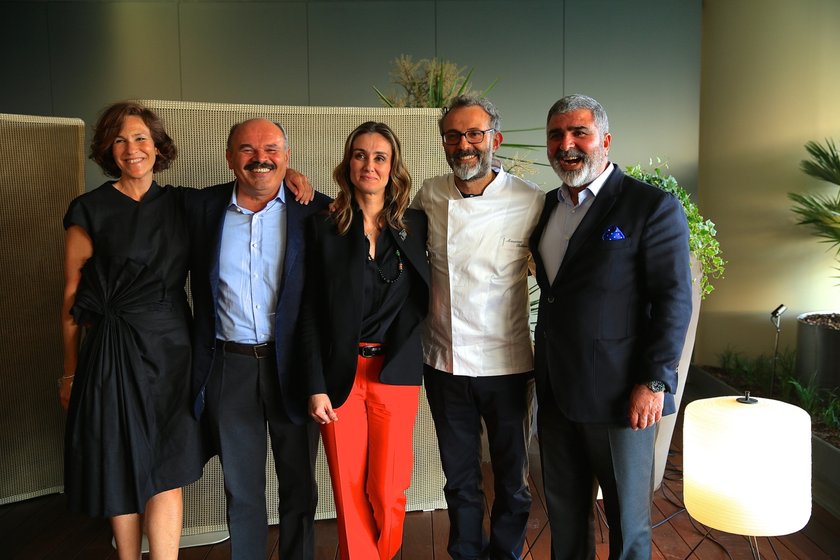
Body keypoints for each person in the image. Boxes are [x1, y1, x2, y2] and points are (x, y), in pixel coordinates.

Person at [528, 94, 693, 560]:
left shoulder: (650, 206)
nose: (566, 144)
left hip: (622, 398)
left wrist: (654, 381)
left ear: (605, 140)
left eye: (579, 132)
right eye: (556, 135)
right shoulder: (546, 207)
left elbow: (673, 299)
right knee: (565, 520)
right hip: (557, 394)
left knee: (628, 525)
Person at [60, 101, 205, 559]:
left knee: (168, 463)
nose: (131, 148)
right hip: (111, 351)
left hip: (173, 352)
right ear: (108, 150)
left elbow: (249, 186)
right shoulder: (89, 209)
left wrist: (291, 175)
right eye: (119, 140)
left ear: (157, 146)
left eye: (141, 137)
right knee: (119, 461)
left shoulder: (183, 204)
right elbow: (71, 299)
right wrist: (69, 371)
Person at [184, 118, 331, 560]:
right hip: (228, 366)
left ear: (287, 156)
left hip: (294, 367)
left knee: (299, 485)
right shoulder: (201, 208)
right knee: (241, 487)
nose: (260, 158)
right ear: (230, 157)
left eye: (271, 150)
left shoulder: (317, 211)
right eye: (247, 149)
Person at [411, 95, 544, 560]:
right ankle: (465, 553)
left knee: (512, 478)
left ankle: (506, 553)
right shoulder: (429, 194)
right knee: (460, 478)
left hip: (508, 364)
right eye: (453, 135)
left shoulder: (530, 200)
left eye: (474, 134)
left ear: (495, 139)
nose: (464, 144)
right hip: (444, 361)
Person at [300, 121, 430, 559]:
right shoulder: (324, 226)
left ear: (393, 167)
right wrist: (315, 384)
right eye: (359, 155)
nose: (369, 165)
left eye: (379, 157)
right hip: (339, 376)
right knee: (348, 487)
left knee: (389, 489)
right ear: (348, 163)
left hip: (394, 371)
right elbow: (308, 311)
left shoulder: (415, 225)